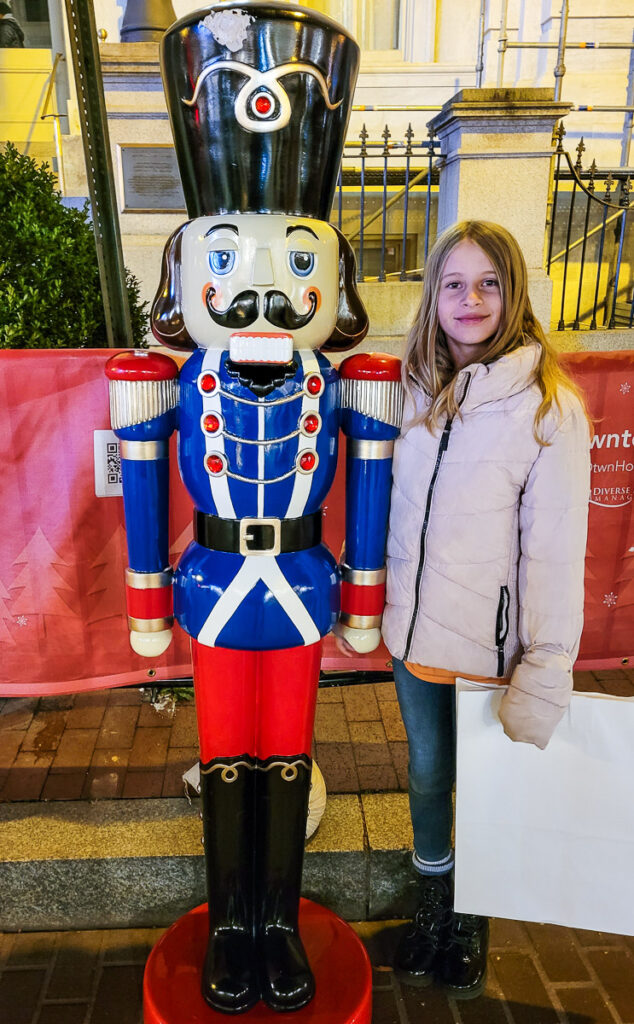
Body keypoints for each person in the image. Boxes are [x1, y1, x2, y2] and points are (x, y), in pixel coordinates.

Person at [381, 220, 591, 999]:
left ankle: (476, 918)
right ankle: (435, 906)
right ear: (434, 294)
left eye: (489, 283)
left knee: (491, 790)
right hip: (411, 636)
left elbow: (555, 553)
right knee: (429, 775)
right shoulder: (409, 391)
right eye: (454, 283)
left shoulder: (548, 407)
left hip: (488, 650)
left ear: (514, 294)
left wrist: (544, 665)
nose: (470, 300)